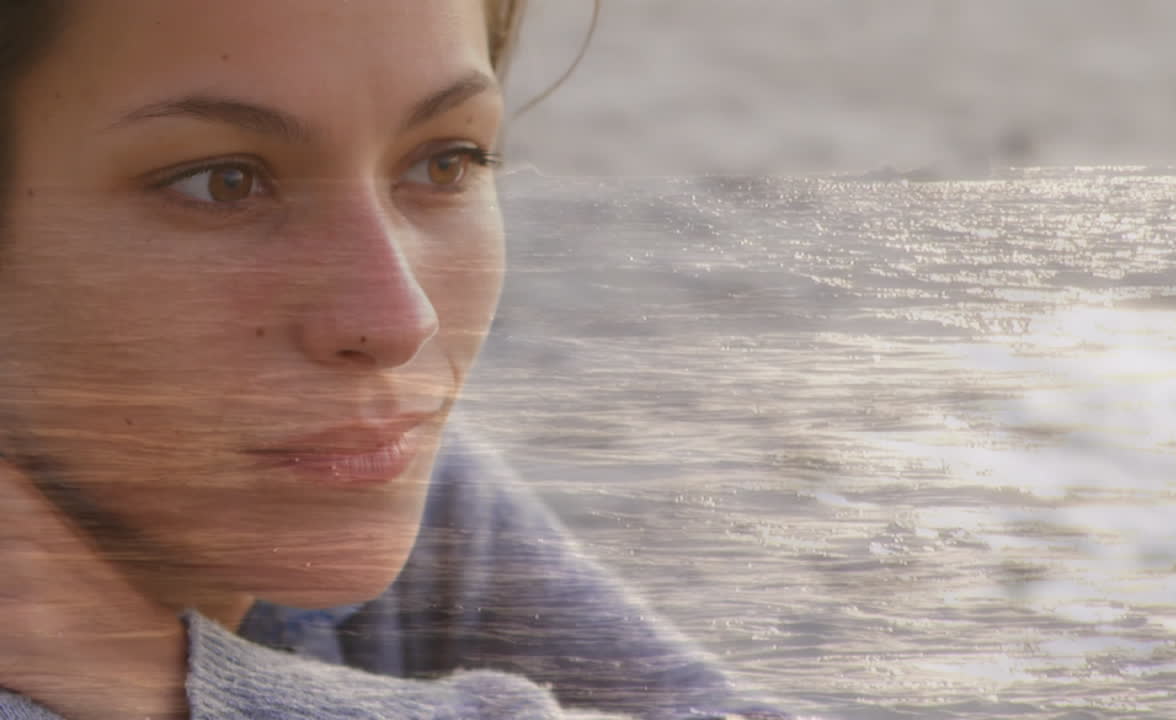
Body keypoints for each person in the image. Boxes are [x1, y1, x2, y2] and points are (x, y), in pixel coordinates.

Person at [0, 1, 790, 718]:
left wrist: (170, 681)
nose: (398, 320)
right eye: (222, 183)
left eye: (444, 162)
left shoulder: (361, 461)